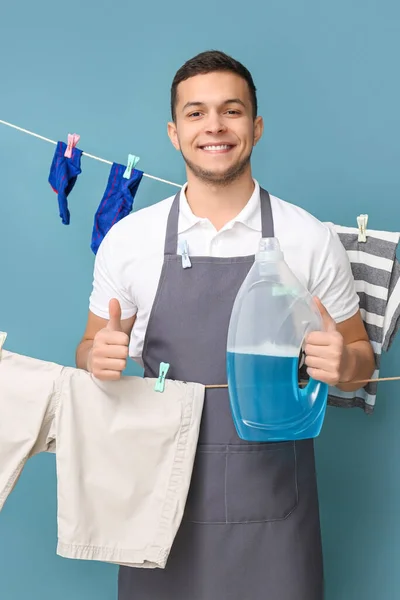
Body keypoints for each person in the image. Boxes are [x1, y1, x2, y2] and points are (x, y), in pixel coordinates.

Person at [76, 50, 375, 600]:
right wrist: (96, 357)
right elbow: (90, 347)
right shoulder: (130, 240)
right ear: (174, 132)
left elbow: (360, 363)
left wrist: (345, 364)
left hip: (273, 504)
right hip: (158, 496)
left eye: (231, 111)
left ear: (255, 127)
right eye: (196, 113)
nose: (214, 126)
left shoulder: (307, 237)